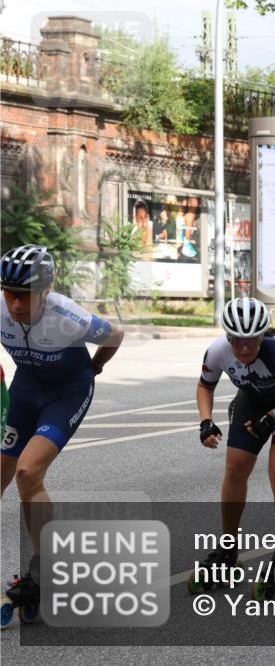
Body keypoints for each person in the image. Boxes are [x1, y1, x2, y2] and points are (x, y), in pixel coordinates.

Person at [0, 245, 125, 627]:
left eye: (24, 295)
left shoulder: (67, 314)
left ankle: (42, 570)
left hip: (67, 391)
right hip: (25, 389)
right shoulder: (2, 309)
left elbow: (115, 334)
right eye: (9, 293)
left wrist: (94, 367)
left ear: (45, 291)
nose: (16, 304)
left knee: (27, 473)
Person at [194, 297, 275, 598]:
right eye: (237, 341)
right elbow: (205, 386)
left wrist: (274, 416)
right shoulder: (217, 351)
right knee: (235, 467)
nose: (244, 348)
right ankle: (228, 547)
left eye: (252, 341)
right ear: (228, 336)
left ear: (263, 336)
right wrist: (205, 422)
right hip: (254, 400)